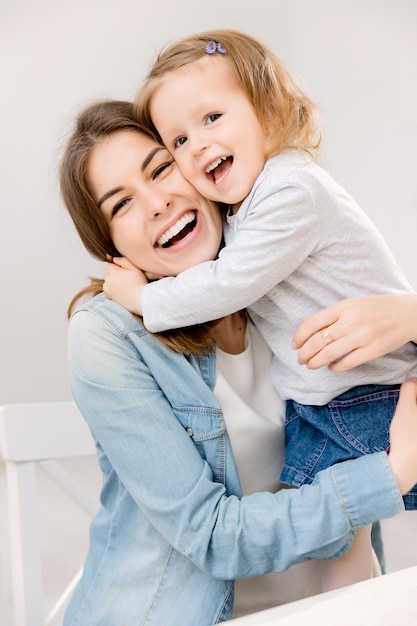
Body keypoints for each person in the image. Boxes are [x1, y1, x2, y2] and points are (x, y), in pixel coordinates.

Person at [59, 99, 417, 625]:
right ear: (109, 245)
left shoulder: (282, 277)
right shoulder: (106, 336)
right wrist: (391, 475)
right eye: (121, 205)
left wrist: (411, 314)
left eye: (160, 168)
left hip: (326, 609)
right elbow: (213, 537)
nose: (157, 202)